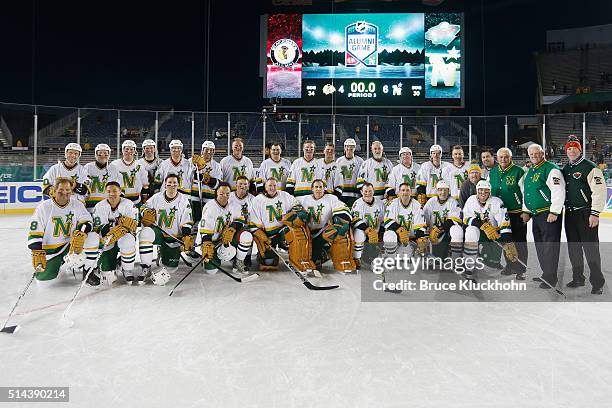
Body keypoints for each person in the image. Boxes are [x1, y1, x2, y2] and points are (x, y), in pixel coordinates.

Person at [27, 177, 97, 286]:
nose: (65, 193)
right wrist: (36, 250)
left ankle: (88, 271)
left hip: (70, 245)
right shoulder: (44, 207)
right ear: (54, 191)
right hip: (51, 251)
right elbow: (35, 232)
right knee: (44, 278)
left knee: (92, 237)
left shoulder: (77, 204)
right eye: (61, 191)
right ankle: (58, 263)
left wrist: (80, 232)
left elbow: (87, 220)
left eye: (68, 191)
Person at [562, 137, 606, 294]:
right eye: (569, 148)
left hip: (586, 213)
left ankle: (597, 283)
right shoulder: (566, 168)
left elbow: (599, 192)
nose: (572, 150)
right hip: (570, 213)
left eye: (574, 148)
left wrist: (595, 213)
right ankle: (578, 278)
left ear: (580, 150)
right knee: (574, 249)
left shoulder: (590, 167)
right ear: (566, 151)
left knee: (591, 249)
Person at [521, 144, 565, 289]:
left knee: (550, 246)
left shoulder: (550, 168)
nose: (534, 156)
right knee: (540, 245)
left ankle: (551, 277)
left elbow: (558, 190)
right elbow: (527, 192)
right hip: (536, 214)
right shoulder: (531, 170)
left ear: (542, 153)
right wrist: (526, 211)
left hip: (548, 214)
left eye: (536, 153)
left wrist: (554, 211)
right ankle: (546, 273)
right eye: (531, 154)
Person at [138, 174, 194, 285]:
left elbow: (186, 221)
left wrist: (186, 236)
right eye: (169, 182)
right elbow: (143, 207)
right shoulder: (156, 197)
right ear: (165, 184)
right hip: (158, 232)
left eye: (174, 183)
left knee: (171, 269)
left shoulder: (184, 200)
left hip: (173, 238)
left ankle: (163, 253)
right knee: (145, 233)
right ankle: (146, 267)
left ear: (179, 184)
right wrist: (145, 213)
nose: (172, 185)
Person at [290, 179, 356, 273]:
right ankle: (322, 253)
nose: (318, 189)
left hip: (322, 231)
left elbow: (343, 209)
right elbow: (292, 207)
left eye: (321, 187)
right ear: (312, 188)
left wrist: (340, 220)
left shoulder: (331, 198)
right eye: (316, 187)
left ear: (324, 188)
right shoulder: (303, 199)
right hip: (306, 232)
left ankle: (326, 254)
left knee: (315, 256)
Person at [463, 180, 518, 280]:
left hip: (493, 234)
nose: (483, 193)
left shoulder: (497, 202)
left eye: (486, 191)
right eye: (480, 190)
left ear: (490, 191)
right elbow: (465, 219)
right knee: (470, 231)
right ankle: (469, 267)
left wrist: (507, 242)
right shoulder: (471, 200)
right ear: (476, 191)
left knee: (490, 268)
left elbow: (504, 223)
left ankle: (482, 259)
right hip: (478, 231)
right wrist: (482, 225)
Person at [199, 183, 254, 276]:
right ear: (216, 193)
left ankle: (239, 261)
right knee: (211, 271)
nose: (225, 196)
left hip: (226, 239)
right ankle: (212, 258)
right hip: (212, 242)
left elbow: (240, 220)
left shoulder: (234, 205)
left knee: (246, 236)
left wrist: (232, 228)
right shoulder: (210, 207)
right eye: (221, 194)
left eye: (227, 194)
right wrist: (207, 244)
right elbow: (205, 231)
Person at [489, 147, 527, 279]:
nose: (503, 159)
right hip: (499, 214)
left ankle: (521, 269)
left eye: (506, 157)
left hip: (516, 213)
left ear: (511, 158)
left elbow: (524, 193)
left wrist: (525, 211)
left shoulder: (518, 171)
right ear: (497, 158)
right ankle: (509, 266)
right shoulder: (492, 172)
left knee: (519, 241)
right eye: (501, 157)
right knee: (505, 241)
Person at [90, 182, 139, 285]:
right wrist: (115, 229)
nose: (111, 194)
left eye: (114, 191)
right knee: (107, 273)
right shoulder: (99, 206)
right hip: (107, 238)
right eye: (108, 191)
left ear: (120, 192)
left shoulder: (129, 204)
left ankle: (127, 269)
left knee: (127, 240)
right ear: (105, 193)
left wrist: (122, 228)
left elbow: (133, 225)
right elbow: (100, 228)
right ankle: (114, 262)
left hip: (125, 235)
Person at [249, 178, 300, 271]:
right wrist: (264, 238)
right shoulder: (257, 200)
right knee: (269, 262)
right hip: (268, 236)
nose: (272, 188)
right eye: (270, 186)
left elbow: (297, 205)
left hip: (283, 231)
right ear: (265, 187)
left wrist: (293, 214)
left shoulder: (284, 195)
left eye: (274, 185)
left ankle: (297, 258)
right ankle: (265, 255)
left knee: (297, 233)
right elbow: (253, 225)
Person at [383, 183, 428, 258]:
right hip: (396, 237)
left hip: (410, 239)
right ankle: (390, 259)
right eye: (403, 190)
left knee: (405, 255)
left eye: (407, 190)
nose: (405, 192)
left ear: (411, 192)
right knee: (389, 235)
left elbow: (420, 225)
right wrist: (400, 230)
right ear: (399, 192)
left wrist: (419, 238)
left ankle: (409, 250)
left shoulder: (416, 205)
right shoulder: (393, 203)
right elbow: (387, 220)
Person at [423, 180, 464, 263]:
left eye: (445, 190)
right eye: (440, 190)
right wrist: (427, 234)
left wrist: (440, 228)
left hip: (445, 233)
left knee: (457, 230)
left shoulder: (453, 202)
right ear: (437, 191)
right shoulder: (431, 201)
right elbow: (424, 219)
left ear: (449, 191)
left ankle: (454, 258)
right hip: (432, 233)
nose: (443, 192)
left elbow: (453, 221)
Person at [351, 183, 385, 269]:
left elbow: (383, 221)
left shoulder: (380, 203)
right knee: (358, 234)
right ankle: (357, 258)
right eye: (365, 191)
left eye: (370, 191)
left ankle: (376, 258)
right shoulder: (357, 203)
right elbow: (355, 220)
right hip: (363, 231)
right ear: (361, 192)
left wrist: (380, 234)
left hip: (375, 234)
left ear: (373, 191)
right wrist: (368, 230)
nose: (368, 193)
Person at [190, 140, 222, 224]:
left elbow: (218, 184)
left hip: (209, 196)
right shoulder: (192, 161)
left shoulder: (216, 166)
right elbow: (188, 177)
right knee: (194, 219)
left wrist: (209, 180)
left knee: (208, 219)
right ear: (202, 150)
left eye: (211, 150)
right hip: (194, 195)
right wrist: (196, 169)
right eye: (206, 150)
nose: (208, 153)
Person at [83, 144, 120, 213]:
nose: (102, 155)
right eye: (100, 153)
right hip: (89, 204)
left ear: (109, 155)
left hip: (107, 205)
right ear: (95, 154)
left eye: (105, 153)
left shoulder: (114, 168)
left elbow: (118, 187)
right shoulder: (88, 167)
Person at [111, 140, 150, 206]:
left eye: (131, 149)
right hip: (120, 201)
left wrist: (145, 197)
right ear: (122, 150)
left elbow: (145, 184)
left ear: (135, 151)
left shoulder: (140, 165)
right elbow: (110, 182)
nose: (129, 151)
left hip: (136, 200)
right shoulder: (115, 164)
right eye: (126, 149)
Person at [334, 138, 364, 207]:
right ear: (344, 147)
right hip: (342, 193)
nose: (349, 148)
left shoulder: (360, 161)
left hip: (355, 193)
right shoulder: (339, 161)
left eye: (351, 146)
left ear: (354, 148)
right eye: (347, 146)